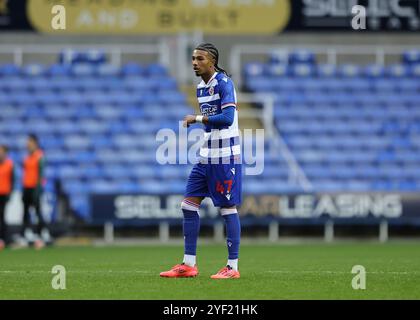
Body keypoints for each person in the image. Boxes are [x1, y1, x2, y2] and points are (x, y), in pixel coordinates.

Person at [160, 43, 242, 279]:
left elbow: (227, 118)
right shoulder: (200, 87)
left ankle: (232, 267)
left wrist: (196, 118)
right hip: (206, 156)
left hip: (225, 157)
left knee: (227, 208)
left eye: (200, 58)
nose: (195, 62)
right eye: (193, 58)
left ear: (212, 61)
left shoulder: (224, 83)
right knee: (188, 205)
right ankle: (188, 264)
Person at [21, 134, 52, 247]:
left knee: (38, 212)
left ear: (35, 143)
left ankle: (42, 234)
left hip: (35, 188)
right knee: (25, 213)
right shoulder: (26, 157)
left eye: (29, 142)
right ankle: (26, 235)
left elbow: (41, 175)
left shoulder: (40, 156)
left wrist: (38, 189)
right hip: (26, 187)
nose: (27, 144)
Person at [0, 145, 14, 250]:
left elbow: (12, 180)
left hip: (4, 193)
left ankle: (4, 239)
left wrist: (10, 193)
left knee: (2, 216)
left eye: (1, 151)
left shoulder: (9, 164)